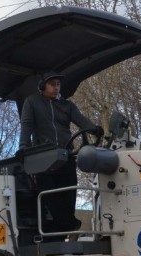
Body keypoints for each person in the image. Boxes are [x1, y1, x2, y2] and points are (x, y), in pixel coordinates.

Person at [18, 71, 102, 237]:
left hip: (66, 157)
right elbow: (26, 126)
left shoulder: (67, 105)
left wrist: (95, 128)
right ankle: (69, 227)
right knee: (50, 197)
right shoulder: (32, 102)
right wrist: (23, 146)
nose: (56, 88)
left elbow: (81, 120)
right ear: (43, 86)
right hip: (43, 159)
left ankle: (67, 229)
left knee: (69, 195)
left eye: (58, 84)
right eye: (52, 84)